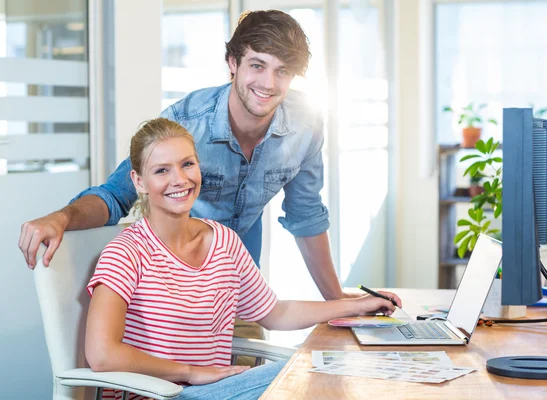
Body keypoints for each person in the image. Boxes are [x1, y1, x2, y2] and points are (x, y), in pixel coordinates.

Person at [19, 9, 354, 302]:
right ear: (233, 63)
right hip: (170, 288)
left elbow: (305, 215)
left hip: (241, 287)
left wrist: (339, 301)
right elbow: (115, 195)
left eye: (282, 71)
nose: (268, 83)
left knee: (261, 370)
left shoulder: (305, 124)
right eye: (257, 65)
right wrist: (61, 218)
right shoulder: (184, 123)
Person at [85, 118, 401, 400]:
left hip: (217, 391)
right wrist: (191, 372)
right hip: (162, 394)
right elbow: (101, 354)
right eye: (161, 170)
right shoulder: (126, 253)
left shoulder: (224, 241)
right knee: (302, 373)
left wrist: (356, 305)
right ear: (139, 182)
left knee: (321, 362)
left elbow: (276, 313)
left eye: (187, 164)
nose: (180, 179)